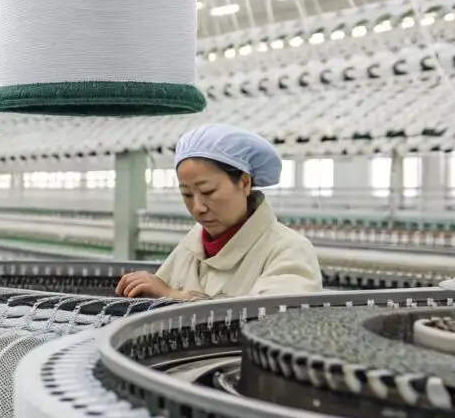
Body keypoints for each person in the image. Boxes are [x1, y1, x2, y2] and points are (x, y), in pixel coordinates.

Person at [116, 124, 322, 300]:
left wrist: (172, 295)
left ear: (244, 183)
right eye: (187, 194)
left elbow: (267, 324)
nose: (198, 208)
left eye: (208, 191)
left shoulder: (288, 250)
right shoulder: (191, 246)